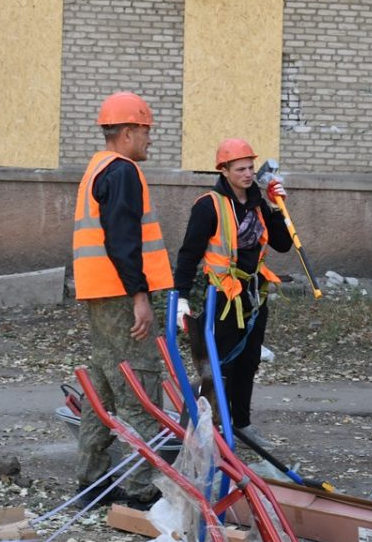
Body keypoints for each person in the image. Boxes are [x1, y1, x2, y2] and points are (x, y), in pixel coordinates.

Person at [72, 91, 173, 510]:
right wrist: (140, 297)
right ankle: (144, 488)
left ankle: (92, 480)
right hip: (119, 295)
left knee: (103, 390)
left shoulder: (98, 168)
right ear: (128, 132)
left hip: (100, 295)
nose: (150, 140)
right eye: (147, 132)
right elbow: (123, 241)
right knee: (140, 384)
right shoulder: (123, 172)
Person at [173, 138, 292, 447]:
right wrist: (181, 297)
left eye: (251, 167)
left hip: (254, 297)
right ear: (224, 170)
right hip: (223, 298)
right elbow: (188, 254)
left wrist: (277, 207)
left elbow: (283, 244)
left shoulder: (257, 203)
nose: (248, 173)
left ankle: (241, 424)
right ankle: (204, 427)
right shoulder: (208, 205)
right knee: (216, 364)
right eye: (240, 168)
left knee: (248, 362)